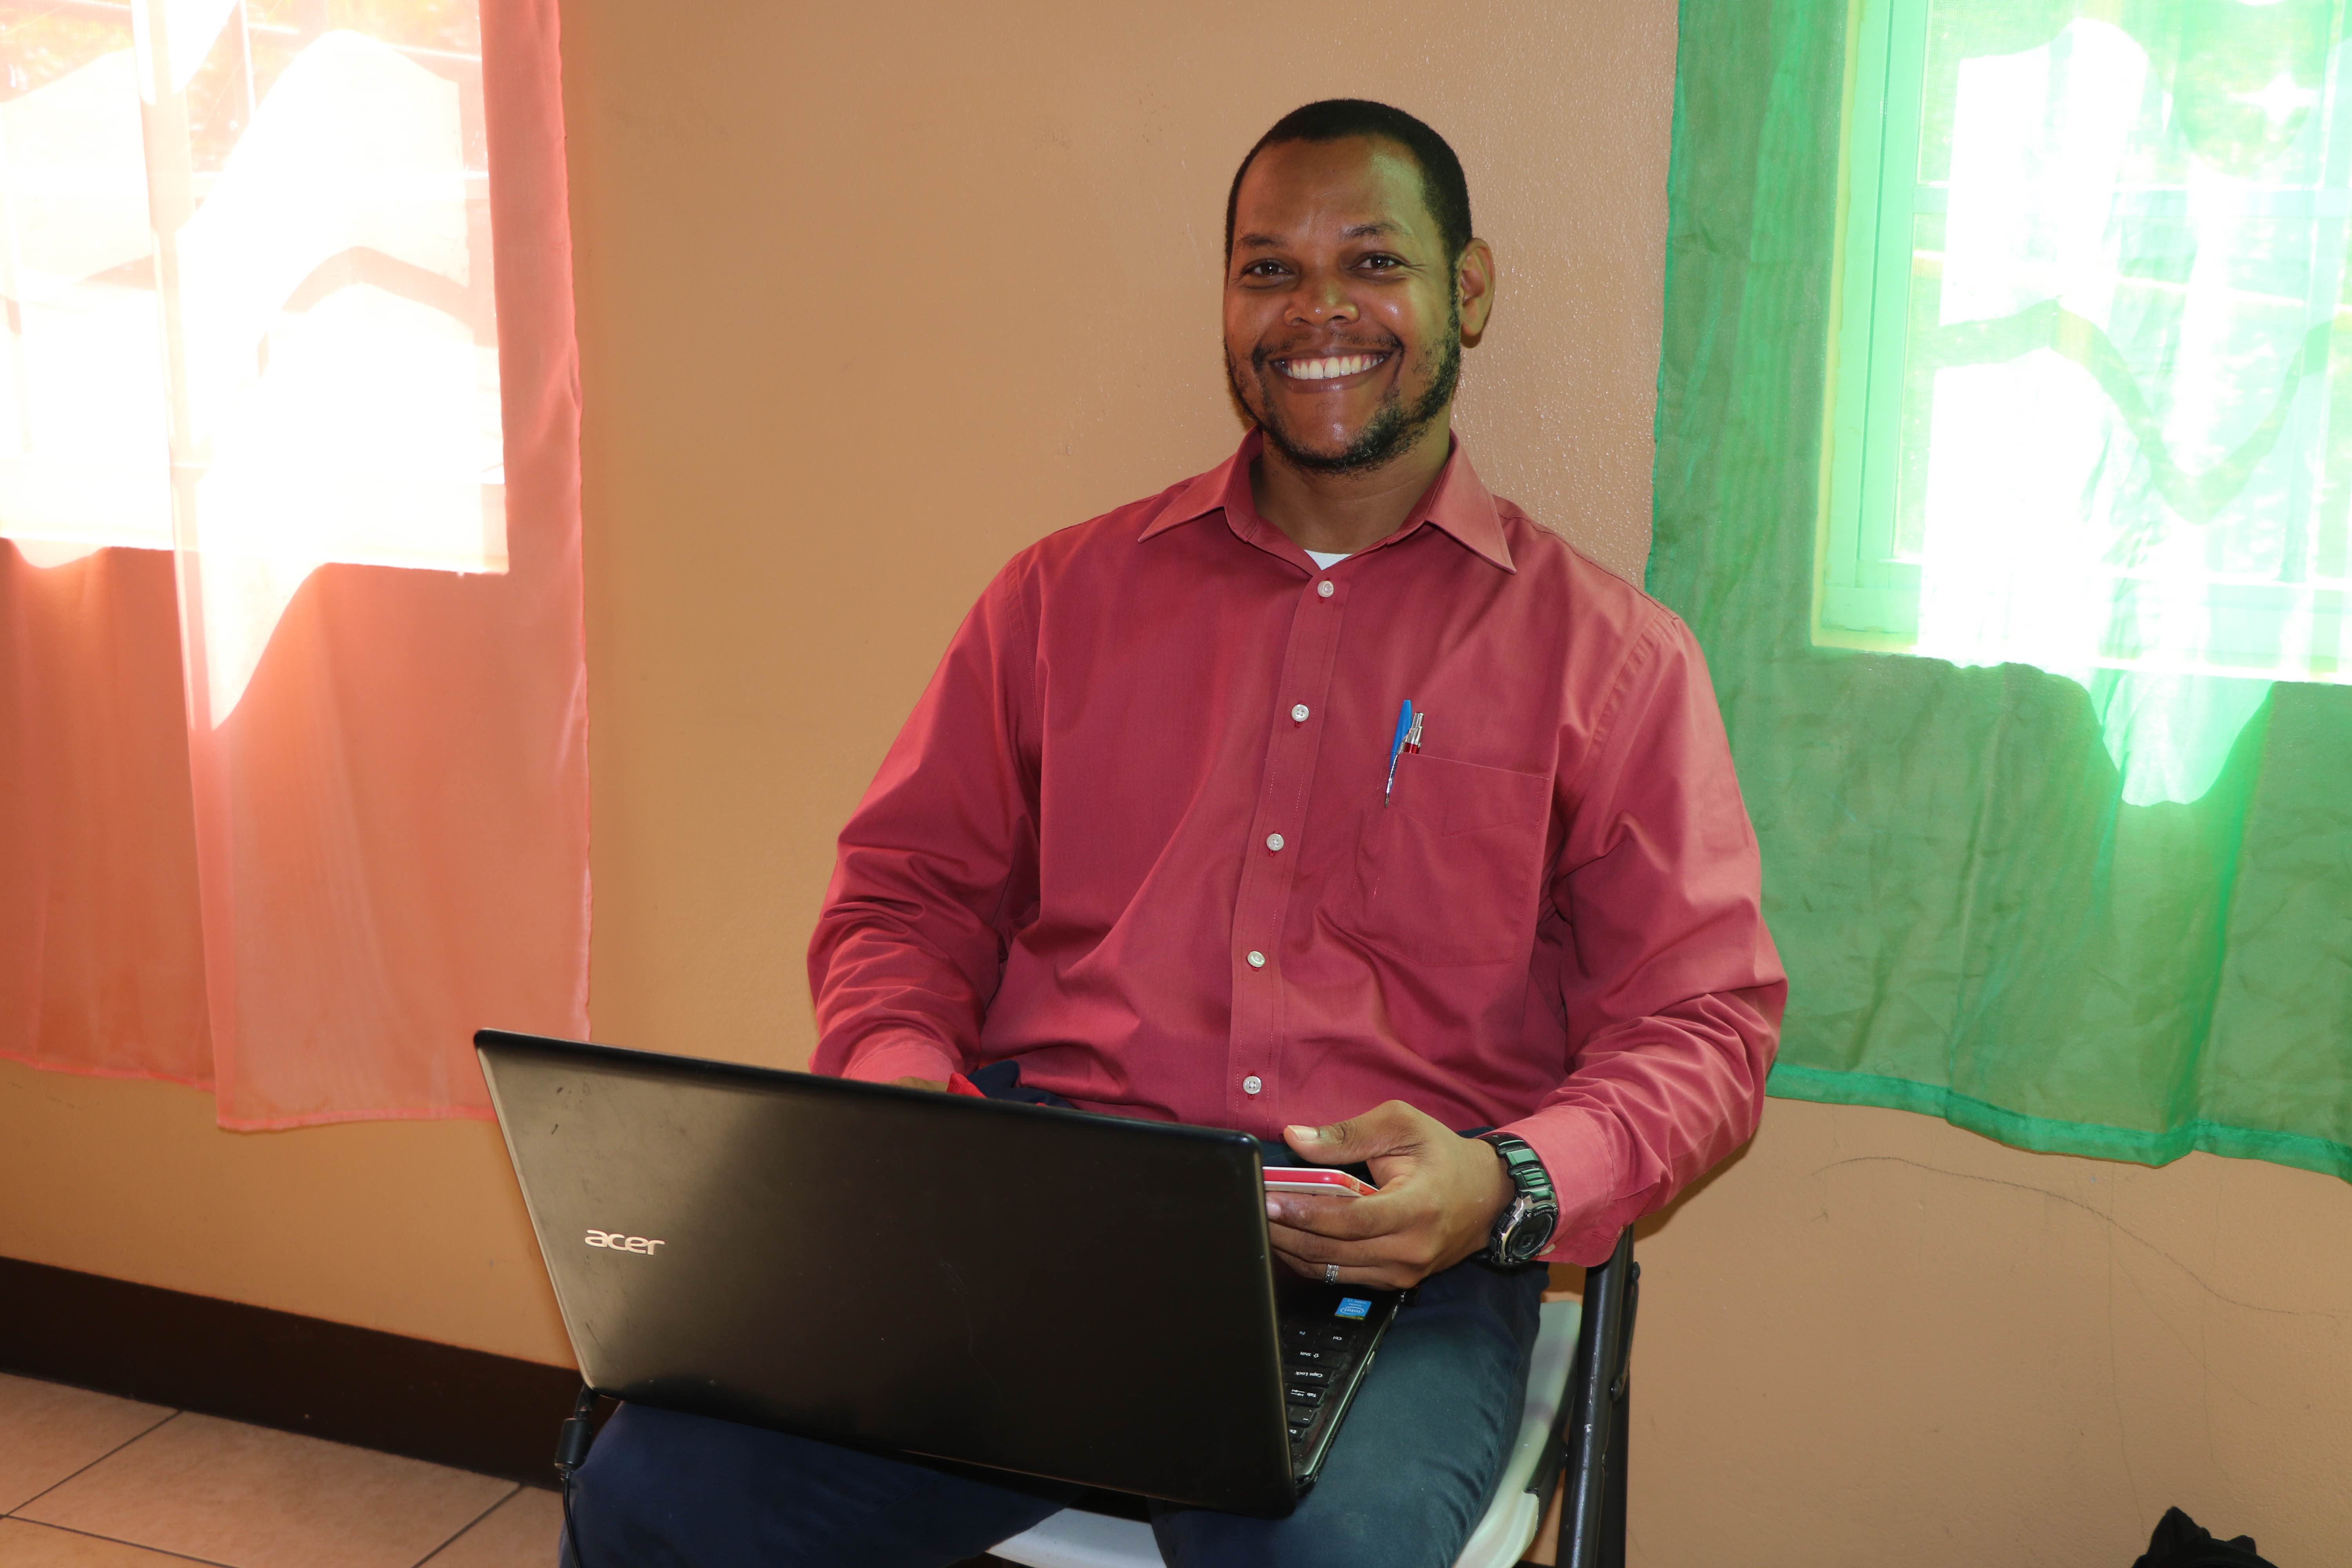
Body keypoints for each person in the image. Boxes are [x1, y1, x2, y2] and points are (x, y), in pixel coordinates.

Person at [562, 97, 1784, 1568]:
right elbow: (906, 896)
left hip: (1397, 1258)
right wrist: (904, 1103)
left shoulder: (1613, 658)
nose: (1319, 310)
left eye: (1373, 262)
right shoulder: (1059, 601)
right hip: (1051, 1214)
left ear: (1466, 290)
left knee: (1316, 1561)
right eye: (1269, 270)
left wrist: (1506, 1187)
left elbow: (1703, 1022)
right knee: (662, 1486)